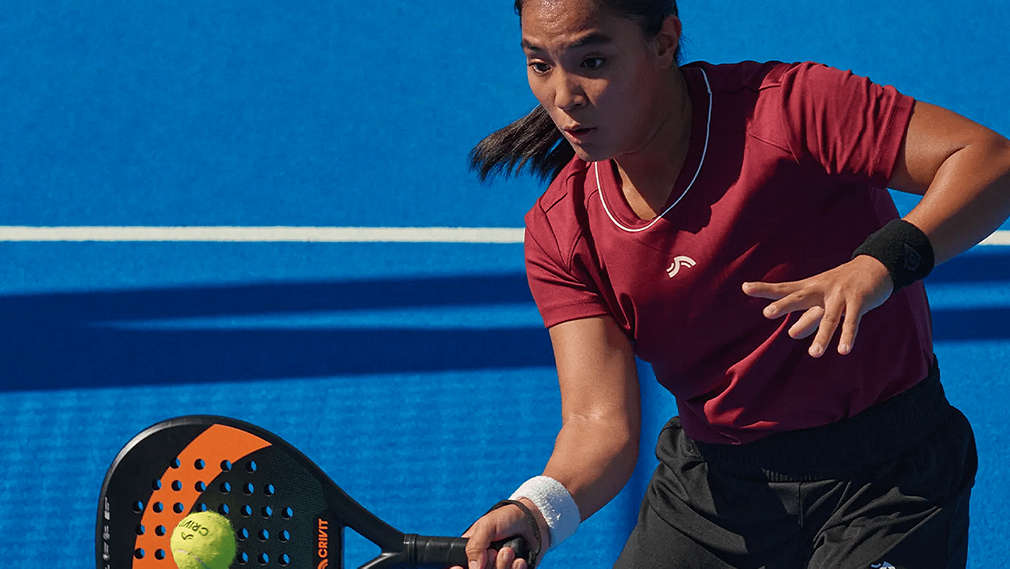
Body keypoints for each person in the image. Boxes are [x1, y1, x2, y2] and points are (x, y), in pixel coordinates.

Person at [454, 1, 1010, 568]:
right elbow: (599, 425)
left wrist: (877, 266)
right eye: (540, 65)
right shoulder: (562, 231)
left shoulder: (791, 110)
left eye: (592, 61)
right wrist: (535, 513)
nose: (564, 98)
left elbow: (989, 162)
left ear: (665, 41)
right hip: (716, 493)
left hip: (887, 480)